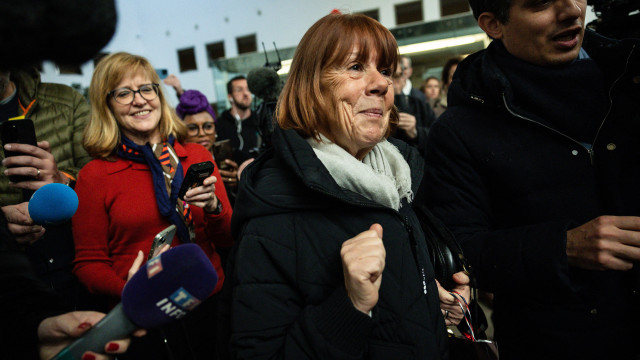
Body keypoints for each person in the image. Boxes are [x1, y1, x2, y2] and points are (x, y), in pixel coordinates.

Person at [223, 13, 470, 359]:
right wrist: (350, 305)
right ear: (312, 86)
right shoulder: (272, 217)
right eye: (355, 67)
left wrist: (428, 294)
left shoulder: (398, 180)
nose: (382, 84)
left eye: (385, 71)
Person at [422, 0, 640, 359]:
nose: (571, 11)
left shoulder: (628, 75)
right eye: (540, 3)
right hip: (556, 341)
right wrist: (562, 246)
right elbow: (461, 251)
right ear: (494, 24)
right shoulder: (461, 130)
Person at [73, 52, 233, 359]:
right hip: (142, 319)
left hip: (209, 302)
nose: (140, 100)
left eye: (147, 89)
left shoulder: (196, 156)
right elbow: (87, 263)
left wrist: (214, 206)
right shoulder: (94, 175)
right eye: (123, 93)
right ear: (106, 105)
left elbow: (228, 239)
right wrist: (133, 292)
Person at [0, 66, 94, 311]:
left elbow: (99, 175)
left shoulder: (66, 101)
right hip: (12, 275)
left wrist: (60, 178)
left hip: (75, 257)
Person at [176, 89, 240, 206]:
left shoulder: (232, 157)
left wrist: (237, 185)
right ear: (182, 132)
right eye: (192, 128)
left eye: (208, 126)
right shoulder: (177, 166)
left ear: (215, 129)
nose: (202, 133)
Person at [391, 62, 435, 159]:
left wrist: (415, 132)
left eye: (397, 76)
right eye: (387, 74)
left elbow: (437, 136)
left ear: (404, 78)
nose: (393, 82)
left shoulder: (420, 105)